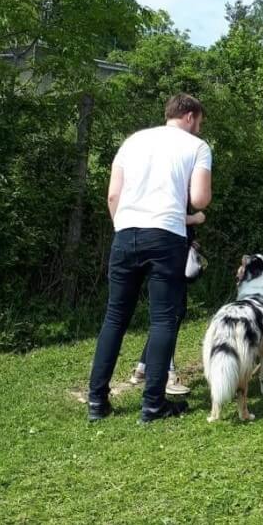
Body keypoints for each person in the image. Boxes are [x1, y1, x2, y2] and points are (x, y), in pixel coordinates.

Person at [87, 93, 212, 423]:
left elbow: (113, 194)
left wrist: (122, 227)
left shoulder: (132, 141)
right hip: (166, 237)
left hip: (125, 233)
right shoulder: (196, 147)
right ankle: (153, 405)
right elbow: (199, 198)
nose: (199, 128)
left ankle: (97, 402)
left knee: (115, 317)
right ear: (188, 116)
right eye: (198, 122)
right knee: (163, 319)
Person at [128, 208, 206, 395]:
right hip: (170, 251)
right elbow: (166, 215)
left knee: (171, 313)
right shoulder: (173, 183)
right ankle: (167, 374)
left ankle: (143, 368)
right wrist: (195, 218)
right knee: (171, 315)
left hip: (172, 247)